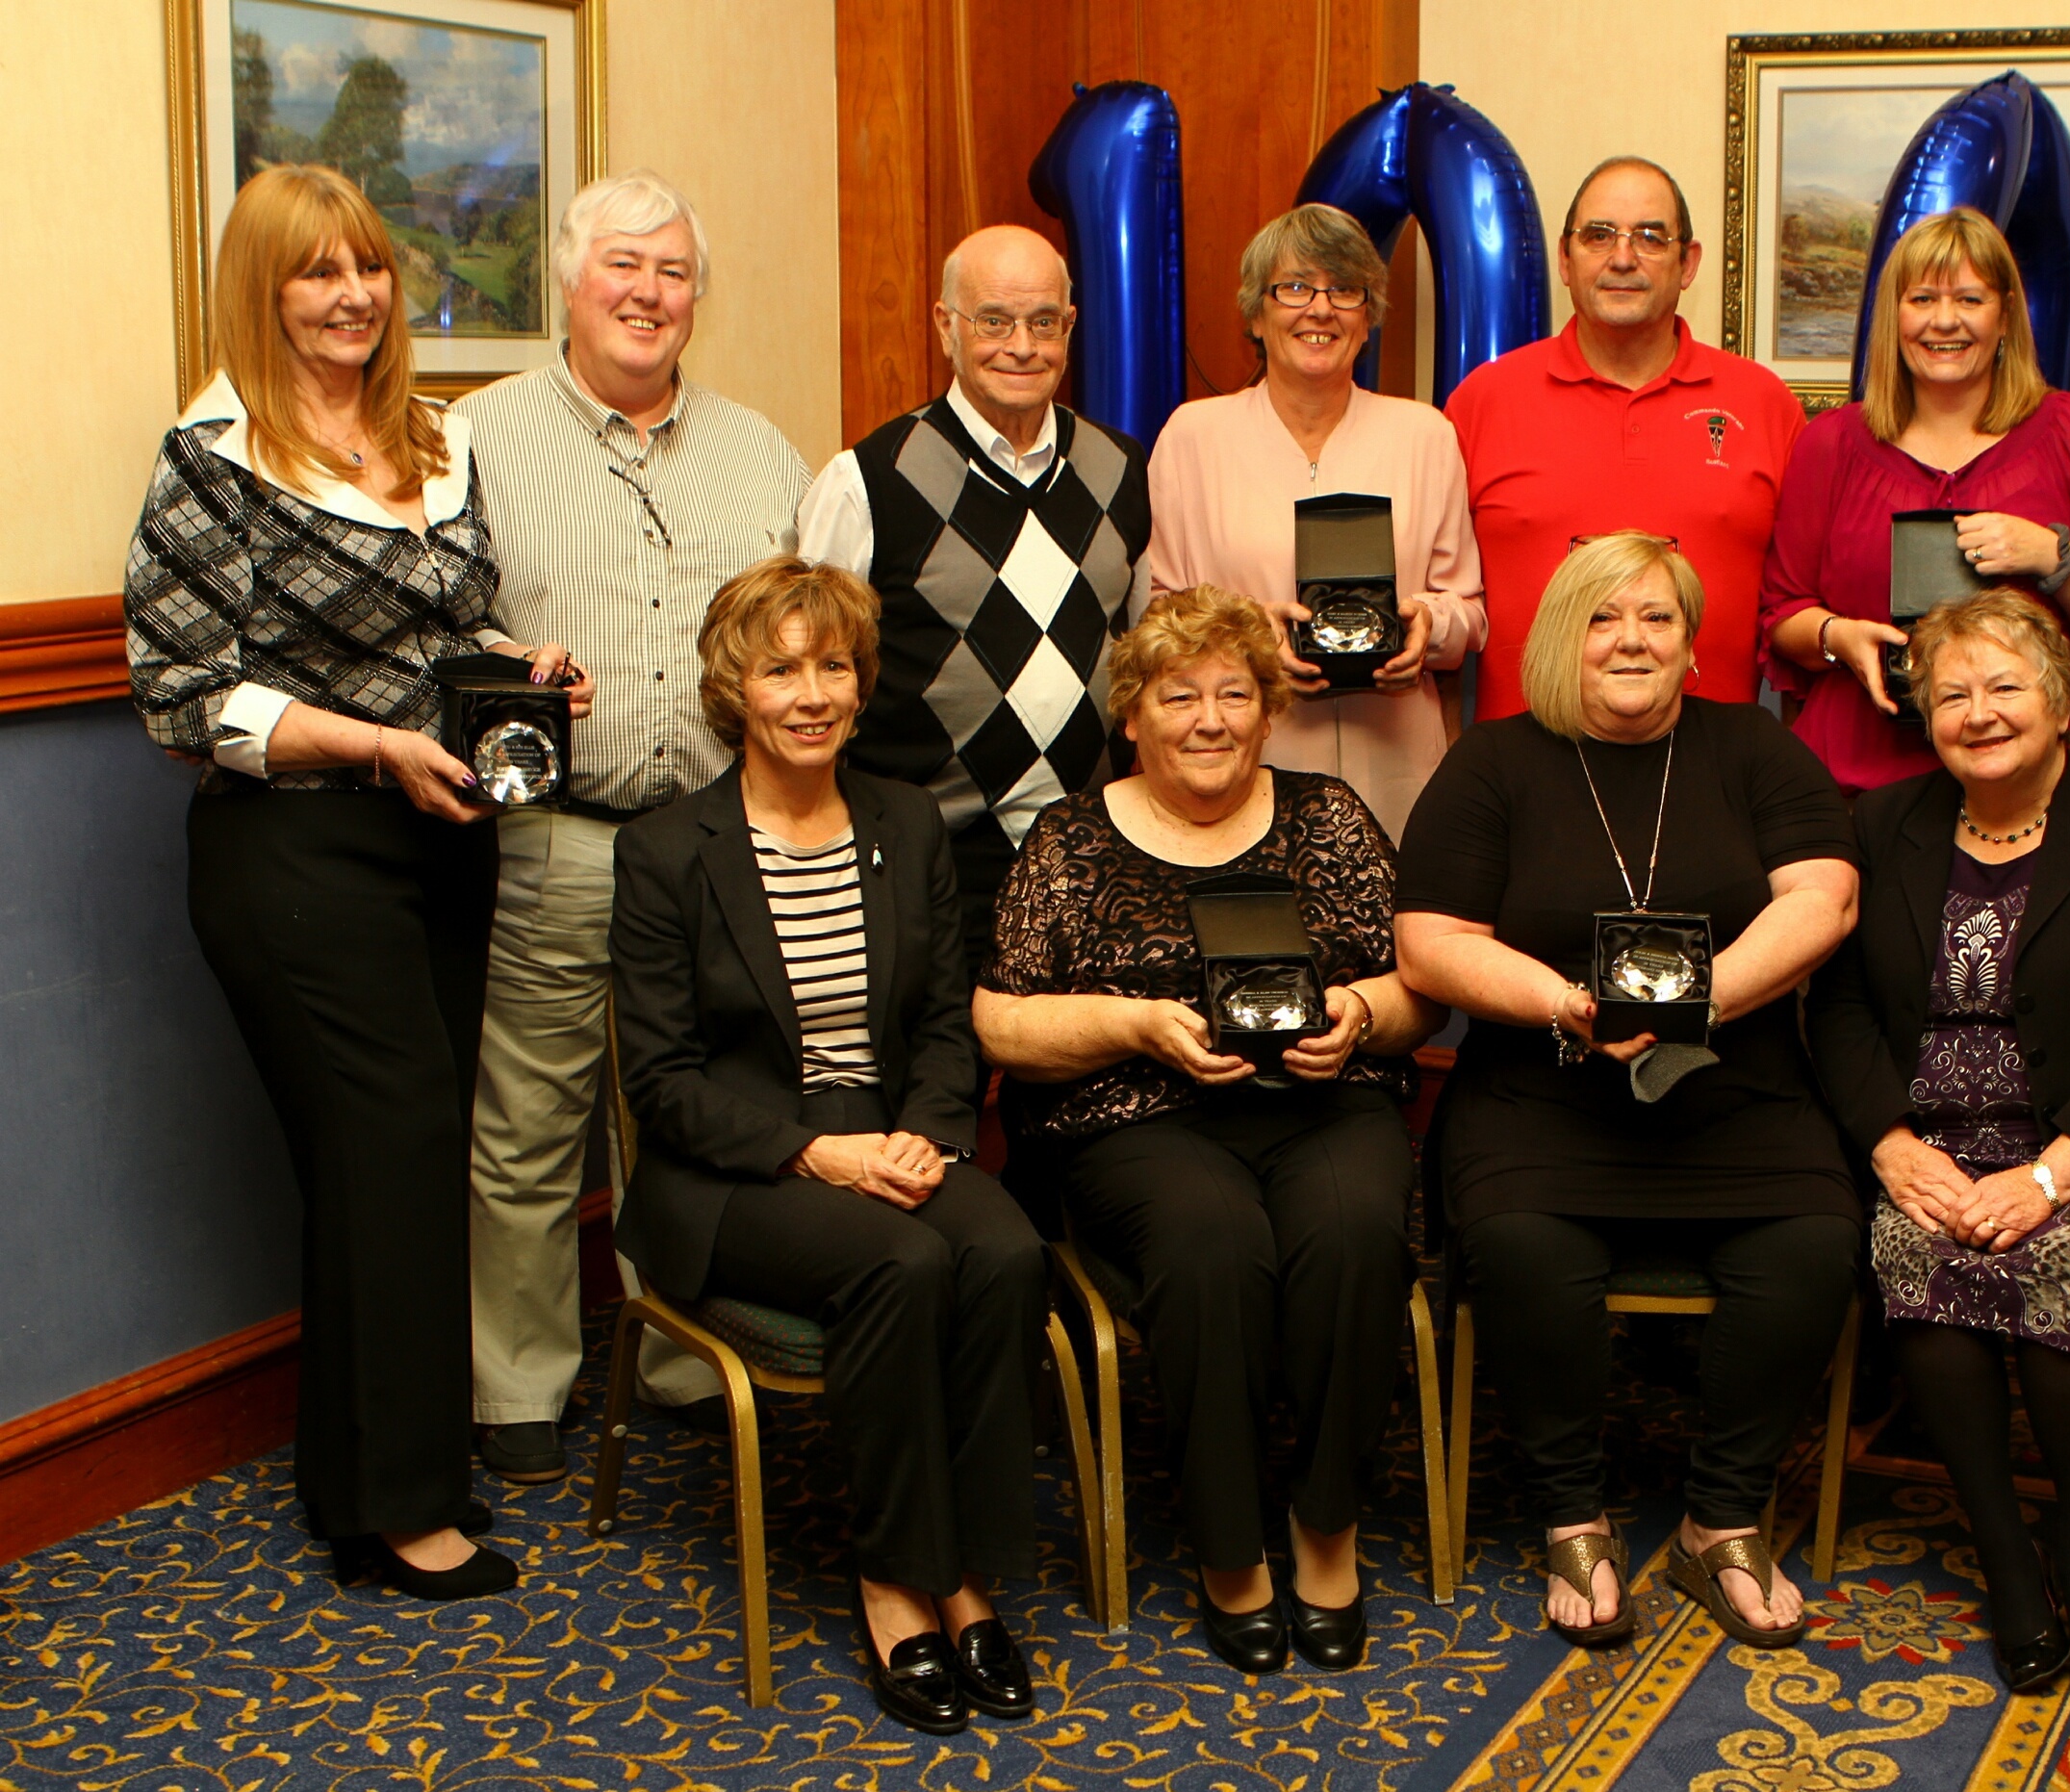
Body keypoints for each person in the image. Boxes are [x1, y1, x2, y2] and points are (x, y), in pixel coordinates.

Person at [123, 163, 589, 1600]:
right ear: (263, 290)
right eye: (318, 273)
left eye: (370, 268)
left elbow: (452, 624)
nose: (353, 296)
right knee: (386, 1154)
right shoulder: (212, 454)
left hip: (440, 836)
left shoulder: (430, 436)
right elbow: (180, 690)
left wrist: (518, 669)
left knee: (395, 1161)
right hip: (295, 852)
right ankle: (402, 1508)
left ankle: (360, 1478)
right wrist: (375, 742)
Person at [1394, 531, 1861, 1651]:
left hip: (1735, 1089)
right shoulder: (1494, 763)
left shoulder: (1753, 748)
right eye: (1603, 617)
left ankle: (1722, 1519)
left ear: (1692, 645)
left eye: (1655, 616)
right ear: (1561, 636)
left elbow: (1823, 899)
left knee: (1812, 1241)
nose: (1631, 639)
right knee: (1520, 1243)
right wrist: (1569, 1006)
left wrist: (1697, 1002)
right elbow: (1427, 943)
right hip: (1540, 1094)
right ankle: (1570, 1511)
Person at [973, 585, 1444, 1676]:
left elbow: (1415, 983)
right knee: (1210, 1243)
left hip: (1325, 1102)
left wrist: (1361, 1015)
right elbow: (999, 1022)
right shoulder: (1069, 837)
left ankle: (1323, 1525)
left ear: (1267, 709)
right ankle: (1229, 1547)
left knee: (1353, 1228)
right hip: (1138, 1119)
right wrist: (1138, 1026)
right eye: (1178, 695)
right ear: (1131, 716)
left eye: (1235, 693)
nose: (1209, 718)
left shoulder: (1327, 817)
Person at [609, 557, 1045, 1736]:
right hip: (739, 1172)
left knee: (1003, 1254)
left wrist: (926, 1135)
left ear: (861, 687)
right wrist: (819, 1155)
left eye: (833, 665)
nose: (810, 692)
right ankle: (898, 1582)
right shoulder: (665, 851)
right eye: (779, 668)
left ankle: (965, 1567)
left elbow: (946, 1020)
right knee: (895, 1266)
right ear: (732, 689)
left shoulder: (905, 818)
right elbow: (663, 1082)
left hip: (895, 1137)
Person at [455, 170, 812, 1487]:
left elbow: (803, 631)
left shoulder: (761, 451)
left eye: (672, 272)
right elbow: (433, 629)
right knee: (531, 1123)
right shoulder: (478, 441)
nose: (649, 294)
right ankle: (521, 1385)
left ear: (696, 296)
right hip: (556, 833)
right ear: (568, 276)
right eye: (624, 266)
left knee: (685, 1114)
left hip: (718, 849)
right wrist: (508, 661)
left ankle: (674, 1352)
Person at [1808, 590, 2070, 1708]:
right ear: (1922, 716)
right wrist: (1890, 1148)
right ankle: (2006, 1565)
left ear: (2056, 698)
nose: (1977, 713)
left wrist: (2051, 1177)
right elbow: (1835, 1016)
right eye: (1949, 694)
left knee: (2058, 1282)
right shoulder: (1879, 827)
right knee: (1931, 1270)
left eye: (2003, 686)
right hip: (1932, 1143)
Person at [802, 224, 1154, 962]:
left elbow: (1144, 656)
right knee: (941, 1074)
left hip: (1090, 855)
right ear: (945, 327)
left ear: (1070, 327)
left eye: (1043, 323)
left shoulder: (1122, 470)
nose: (1021, 346)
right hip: (925, 862)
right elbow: (811, 676)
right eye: (993, 320)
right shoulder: (868, 479)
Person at [1760, 207, 2070, 794]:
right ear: (1893, 315)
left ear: (2006, 314)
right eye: (1922, 299)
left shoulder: (2066, 429)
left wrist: (2055, 557)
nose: (1944, 322)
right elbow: (1781, 614)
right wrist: (1837, 637)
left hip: (2033, 790)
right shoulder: (1830, 442)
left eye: (1970, 300)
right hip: (1861, 784)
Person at [1147, 203, 1484, 838]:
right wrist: (1248, 637)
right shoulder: (1193, 438)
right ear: (1256, 312)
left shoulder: (1426, 436)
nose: (1320, 309)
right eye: (1294, 287)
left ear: (1368, 317)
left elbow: (1469, 613)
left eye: (1345, 290)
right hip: (1245, 767)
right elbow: (1159, 615)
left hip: (1398, 774)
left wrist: (1428, 626)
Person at [1446, 157, 1800, 722]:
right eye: (1599, 235)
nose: (1623, 257)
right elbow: (1444, 604)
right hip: (1524, 772)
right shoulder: (1482, 401)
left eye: (1651, 238)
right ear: (1565, 258)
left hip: (1711, 776)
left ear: (1689, 264)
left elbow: (1796, 604)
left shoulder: (1763, 403)